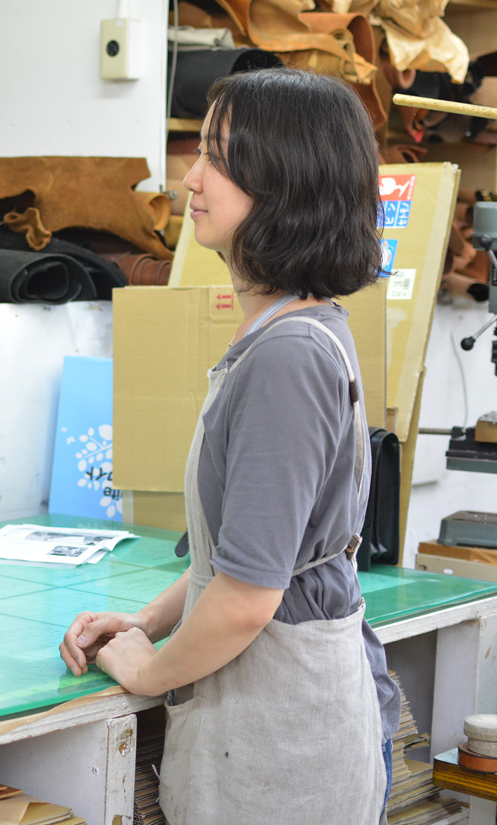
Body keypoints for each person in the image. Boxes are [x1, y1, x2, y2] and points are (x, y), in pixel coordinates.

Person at [59, 68, 399, 824]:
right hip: (280, 727)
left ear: (284, 183)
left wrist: (149, 672)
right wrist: (147, 622)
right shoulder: (290, 331)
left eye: (217, 157)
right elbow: (244, 552)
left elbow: (246, 599)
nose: (191, 178)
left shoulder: (287, 356)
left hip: (285, 749)